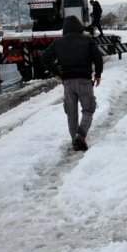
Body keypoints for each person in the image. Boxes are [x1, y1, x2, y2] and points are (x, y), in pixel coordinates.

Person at [41, 16, 103, 151]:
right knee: (88, 109)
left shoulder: (58, 43)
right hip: (84, 81)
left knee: (71, 112)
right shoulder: (87, 40)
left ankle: (74, 140)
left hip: (68, 82)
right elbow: (98, 58)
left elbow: (45, 58)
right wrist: (98, 74)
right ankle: (80, 136)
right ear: (79, 27)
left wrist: (57, 73)